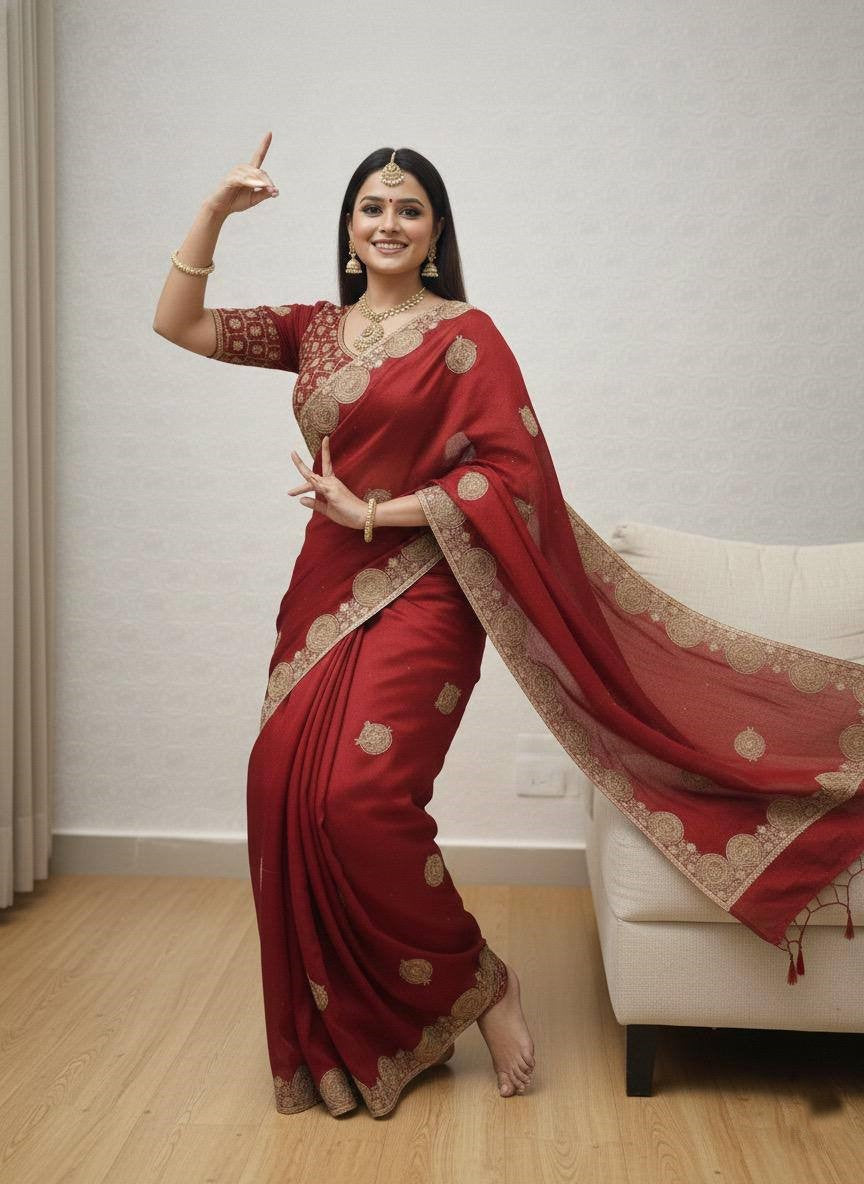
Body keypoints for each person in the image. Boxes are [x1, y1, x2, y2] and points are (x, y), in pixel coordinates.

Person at [153, 136, 864, 1119]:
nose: (389, 222)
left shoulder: (468, 336)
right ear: (348, 229)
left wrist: (379, 511)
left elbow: (512, 475)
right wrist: (216, 212)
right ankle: (356, 1033)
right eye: (372, 207)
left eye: (409, 208)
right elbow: (178, 323)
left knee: (359, 797)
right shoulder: (313, 330)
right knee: (280, 784)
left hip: (433, 585)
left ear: (435, 232)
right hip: (324, 588)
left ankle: (481, 984)